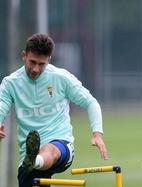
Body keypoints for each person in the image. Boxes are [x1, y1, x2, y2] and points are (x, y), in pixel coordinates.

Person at [0, 33, 108, 187]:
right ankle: (32, 160)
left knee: (49, 149)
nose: (36, 69)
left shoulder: (61, 78)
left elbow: (91, 102)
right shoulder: (10, 83)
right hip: (27, 157)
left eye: (41, 64)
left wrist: (97, 133)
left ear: (49, 60)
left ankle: (35, 160)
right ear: (24, 56)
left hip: (61, 145)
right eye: (32, 62)